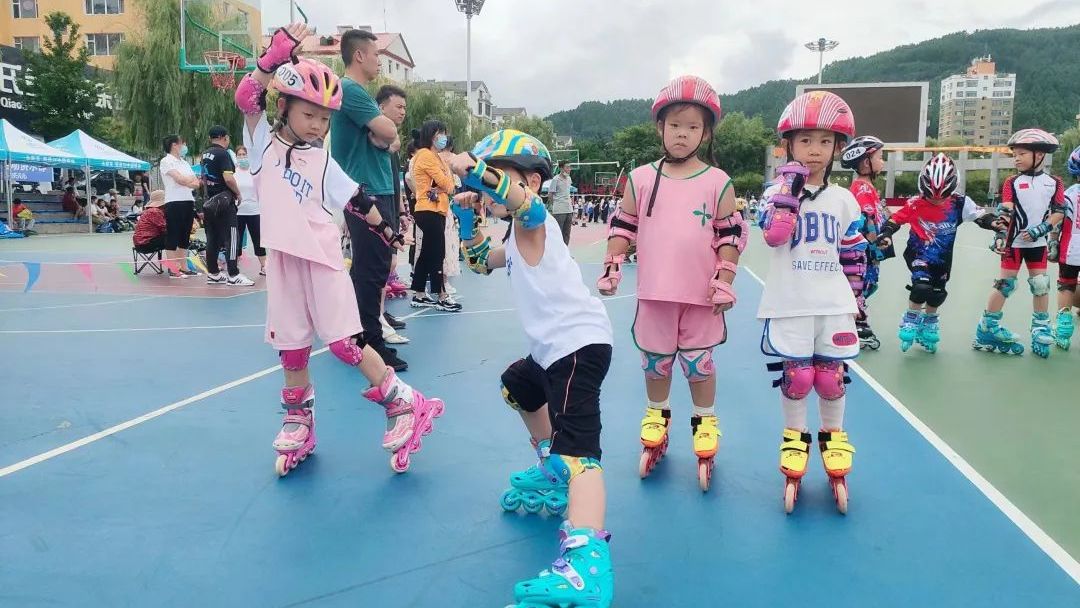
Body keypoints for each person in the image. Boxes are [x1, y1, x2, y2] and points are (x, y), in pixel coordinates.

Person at [234, 23, 445, 475]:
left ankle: (404, 403)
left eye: (325, 119)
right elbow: (247, 98)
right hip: (284, 261)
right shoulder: (261, 145)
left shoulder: (322, 158)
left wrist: (388, 232)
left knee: (346, 345)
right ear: (284, 107)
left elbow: (357, 200)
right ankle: (299, 420)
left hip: (323, 260)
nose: (317, 125)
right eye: (309, 114)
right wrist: (270, 61)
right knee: (291, 349)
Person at [450, 128, 615, 608]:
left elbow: (525, 205)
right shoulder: (514, 233)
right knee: (517, 385)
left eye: (497, 176)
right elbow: (480, 262)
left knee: (580, 454)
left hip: (577, 346)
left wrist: (476, 171)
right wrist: (467, 218)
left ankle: (587, 565)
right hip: (550, 352)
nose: (487, 187)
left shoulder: (534, 221)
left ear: (532, 181)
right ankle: (551, 468)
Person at [597, 76, 745, 492]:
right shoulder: (641, 178)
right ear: (660, 127)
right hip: (654, 293)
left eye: (693, 127)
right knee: (655, 363)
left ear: (706, 133)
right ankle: (657, 415)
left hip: (701, 296)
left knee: (699, 365)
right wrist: (612, 265)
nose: (683, 134)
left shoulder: (719, 181)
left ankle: (705, 421)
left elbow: (729, 235)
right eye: (675, 125)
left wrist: (725, 279)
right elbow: (623, 226)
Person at [757, 91, 866, 514]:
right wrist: (788, 192)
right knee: (797, 377)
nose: (815, 150)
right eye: (805, 140)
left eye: (825, 141)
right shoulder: (773, 192)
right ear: (789, 145)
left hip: (832, 302)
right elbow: (774, 236)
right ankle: (794, 438)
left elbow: (853, 253)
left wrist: (858, 296)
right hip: (791, 301)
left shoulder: (844, 199)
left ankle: (834, 437)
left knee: (831, 377)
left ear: (837, 148)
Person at [331, 27, 407, 371]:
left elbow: (392, 139)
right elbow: (389, 132)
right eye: (377, 55)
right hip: (363, 193)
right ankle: (368, 342)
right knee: (370, 269)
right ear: (359, 55)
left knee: (376, 267)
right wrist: (385, 131)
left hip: (378, 190)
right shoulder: (349, 89)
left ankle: (361, 336)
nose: (379, 61)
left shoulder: (359, 94)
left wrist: (386, 132)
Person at [875, 154, 1004, 353]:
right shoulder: (915, 203)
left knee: (938, 293)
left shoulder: (959, 203)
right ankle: (911, 318)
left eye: (942, 196)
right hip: (919, 254)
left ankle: (929, 322)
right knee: (921, 287)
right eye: (931, 195)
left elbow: (980, 216)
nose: (936, 199)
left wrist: (995, 223)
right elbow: (895, 220)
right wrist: (886, 233)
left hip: (943, 259)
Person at [974, 128, 1065, 358]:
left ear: (1040, 155)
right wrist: (1000, 234)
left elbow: (1059, 211)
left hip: (1038, 243)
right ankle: (987, 327)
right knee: (1005, 284)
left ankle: (1041, 328)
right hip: (1013, 244)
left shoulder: (1054, 183)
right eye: (1015, 154)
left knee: (1041, 284)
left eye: (1022, 154)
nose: (1016, 158)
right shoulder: (1012, 182)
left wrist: (1041, 229)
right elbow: (1006, 210)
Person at [840, 135, 889, 350]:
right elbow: (867, 222)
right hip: (863, 252)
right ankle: (856, 323)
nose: (882, 161)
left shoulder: (865, 187)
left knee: (864, 285)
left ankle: (855, 319)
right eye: (880, 157)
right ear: (866, 162)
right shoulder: (863, 189)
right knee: (860, 285)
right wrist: (876, 245)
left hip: (865, 250)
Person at [408, 120, 461, 311]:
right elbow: (447, 184)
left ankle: (419, 293)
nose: (444, 137)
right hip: (428, 209)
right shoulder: (426, 155)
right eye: (440, 133)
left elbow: (451, 184)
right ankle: (442, 295)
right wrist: (445, 185)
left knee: (427, 253)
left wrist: (445, 184)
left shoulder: (436, 157)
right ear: (431, 136)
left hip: (436, 209)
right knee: (438, 253)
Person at [374, 84, 411, 337]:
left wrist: (402, 212)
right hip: (376, 207)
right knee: (378, 265)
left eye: (404, 107)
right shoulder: (377, 139)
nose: (402, 112)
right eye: (398, 106)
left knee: (389, 263)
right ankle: (372, 318)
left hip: (391, 206)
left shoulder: (393, 143)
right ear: (381, 107)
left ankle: (380, 313)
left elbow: (394, 181)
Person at [201, 125, 253, 286]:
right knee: (232, 236)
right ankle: (233, 274)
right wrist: (238, 193)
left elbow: (203, 178)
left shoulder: (205, 154)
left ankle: (213, 273)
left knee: (213, 238)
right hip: (224, 202)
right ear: (225, 137)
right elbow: (228, 178)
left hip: (210, 202)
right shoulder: (223, 154)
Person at [160, 134, 202, 278]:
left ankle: (184, 267)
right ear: (174, 145)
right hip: (174, 201)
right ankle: (173, 269)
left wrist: (188, 180)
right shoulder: (166, 161)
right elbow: (179, 180)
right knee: (173, 234)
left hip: (188, 200)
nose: (184, 146)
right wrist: (188, 180)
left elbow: (196, 183)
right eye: (182, 143)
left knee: (185, 235)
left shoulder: (184, 163)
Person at [1052, 145, 1080, 351]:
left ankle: (1062, 331)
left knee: (1066, 286)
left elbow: (1057, 221)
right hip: (1071, 248)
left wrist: (1053, 241)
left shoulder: (1068, 194)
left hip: (1070, 250)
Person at [233, 145, 266, 276]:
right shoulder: (234, 173)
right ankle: (234, 267)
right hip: (238, 211)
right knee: (236, 240)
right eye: (239, 155)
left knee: (258, 240)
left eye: (244, 155)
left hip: (254, 211)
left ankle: (264, 266)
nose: (242, 157)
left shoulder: (255, 172)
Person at [549, 160, 574, 244]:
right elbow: (550, 194)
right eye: (567, 167)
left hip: (569, 209)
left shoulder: (569, 179)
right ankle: (557, 250)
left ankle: (565, 250)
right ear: (561, 168)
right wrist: (554, 206)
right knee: (558, 232)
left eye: (570, 167)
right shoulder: (556, 179)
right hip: (559, 210)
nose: (569, 169)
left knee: (567, 233)